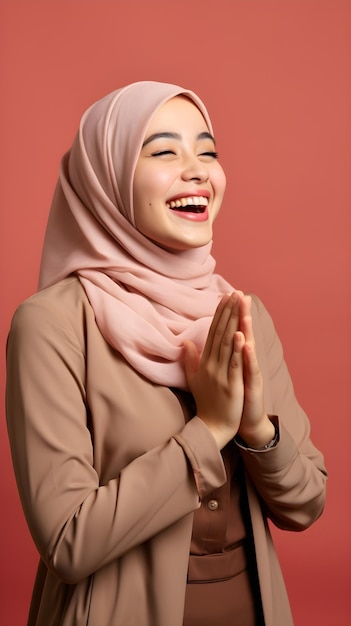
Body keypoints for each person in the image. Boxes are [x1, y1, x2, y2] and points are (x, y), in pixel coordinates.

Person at [6, 81, 327, 626]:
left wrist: (257, 431)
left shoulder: (241, 315)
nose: (197, 169)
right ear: (105, 179)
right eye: (163, 151)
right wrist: (209, 431)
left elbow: (306, 503)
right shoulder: (54, 324)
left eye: (207, 150)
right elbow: (67, 541)